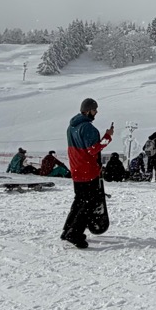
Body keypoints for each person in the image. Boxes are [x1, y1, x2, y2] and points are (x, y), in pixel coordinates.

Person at [62, 98, 114, 249]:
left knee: (79, 201)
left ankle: (68, 229)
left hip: (77, 169)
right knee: (89, 203)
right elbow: (94, 149)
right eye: (94, 109)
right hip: (88, 170)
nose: (96, 112)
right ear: (88, 110)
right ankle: (75, 233)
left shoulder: (71, 127)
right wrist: (108, 136)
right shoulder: (88, 128)